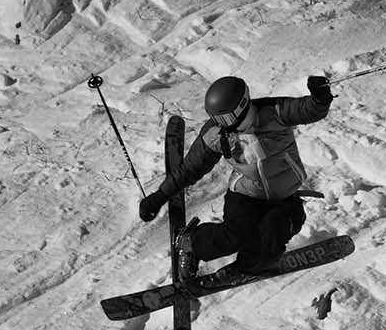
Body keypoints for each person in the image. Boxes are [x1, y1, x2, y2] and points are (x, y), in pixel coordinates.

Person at [137, 73, 333, 272]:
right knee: (238, 235)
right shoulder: (215, 133)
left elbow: (308, 110)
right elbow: (191, 168)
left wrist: (320, 98)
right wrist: (159, 196)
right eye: (217, 119)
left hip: (285, 197)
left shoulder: (275, 112)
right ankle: (192, 243)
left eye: (226, 117)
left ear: (242, 106)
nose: (223, 124)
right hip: (244, 197)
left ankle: (245, 268)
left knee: (275, 230)